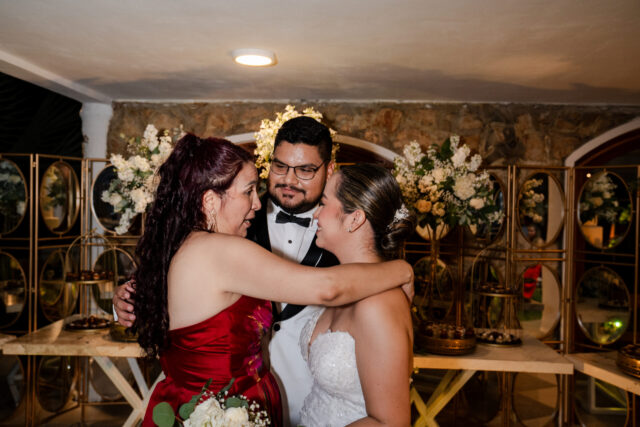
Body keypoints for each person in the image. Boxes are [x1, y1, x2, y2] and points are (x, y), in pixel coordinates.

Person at [132, 134, 413, 426]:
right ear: (210, 201)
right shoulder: (217, 250)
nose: (258, 203)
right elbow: (327, 287)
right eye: (248, 191)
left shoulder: (187, 245)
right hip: (217, 411)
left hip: (230, 404)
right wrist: (403, 270)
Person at [116, 116, 341, 426]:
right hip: (229, 404)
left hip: (312, 394)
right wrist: (125, 301)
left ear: (328, 170)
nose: (289, 179)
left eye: (304, 170)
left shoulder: (343, 227)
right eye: (280, 166)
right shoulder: (235, 223)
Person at [299, 164, 415, 426]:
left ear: (354, 219)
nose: (316, 214)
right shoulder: (346, 286)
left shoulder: (379, 304)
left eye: (324, 203)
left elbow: (390, 423)